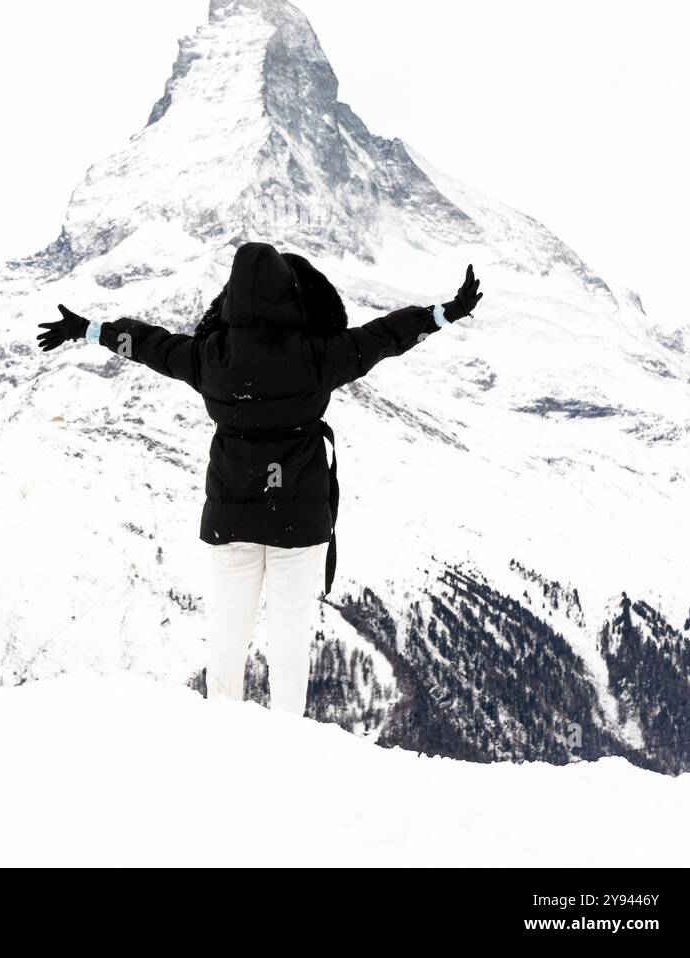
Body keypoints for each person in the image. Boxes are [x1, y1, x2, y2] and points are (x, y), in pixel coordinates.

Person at [37, 242, 483, 715]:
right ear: (291, 295)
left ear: (231, 298)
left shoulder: (210, 356)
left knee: (229, 633)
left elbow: (147, 345)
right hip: (300, 519)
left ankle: (223, 729)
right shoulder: (319, 355)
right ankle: (286, 736)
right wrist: (445, 313)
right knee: (289, 637)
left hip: (232, 516)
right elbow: (386, 335)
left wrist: (87, 330)